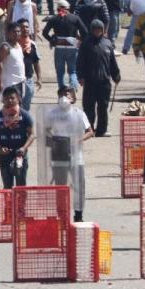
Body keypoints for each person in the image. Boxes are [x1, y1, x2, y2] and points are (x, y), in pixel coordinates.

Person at [43, 87, 93, 221]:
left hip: (76, 156)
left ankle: (78, 214)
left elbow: (90, 131)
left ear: (73, 98)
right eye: (61, 94)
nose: (64, 97)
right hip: (59, 154)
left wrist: (78, 140)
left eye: (67, 94)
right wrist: (52, 141)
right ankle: (62, 214)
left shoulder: (78, 113)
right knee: (61, 186)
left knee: (78, 185)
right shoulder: (52, 114)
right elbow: (45, 132)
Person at [76, 20, 120, 136]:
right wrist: (80, 76)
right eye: (95, 29)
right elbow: (80, 62)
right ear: (92, 30)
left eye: (99, 29)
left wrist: (116, 74)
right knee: (89, 106)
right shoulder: (86, 43)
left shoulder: (107, 43)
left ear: (103, 30)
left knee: (103, 107)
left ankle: (102, 130)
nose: (97, 31)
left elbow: (112, 62)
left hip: (105, 82)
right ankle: (89, 129)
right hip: (90, 81)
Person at [0, 86, 35, 189]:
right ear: (3, 100)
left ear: (18, 98)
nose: (9, 101)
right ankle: (9, 205)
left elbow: (32, 135)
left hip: (20, 156)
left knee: (21, 185)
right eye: (6, 98)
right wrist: (0, 148)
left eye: (12, 98)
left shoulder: (25, 116)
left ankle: (20, 205)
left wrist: (24, 148)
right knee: (7, 186)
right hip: (5, 156)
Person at [42, 0, 88, 91]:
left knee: (60, 72)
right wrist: (80, 41)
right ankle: (73, 88)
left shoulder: (54, 19)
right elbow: (85, 32)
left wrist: (52, 40)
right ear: (68, 8)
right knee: (73, 71)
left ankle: (62, 92)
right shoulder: (75, 18)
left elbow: (44, 33)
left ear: (58, 8)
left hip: (59, 47)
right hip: (73, 47)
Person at [0, 23, 26, 99]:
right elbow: (0, 64)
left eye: (19, 31)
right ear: (8, 33)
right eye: (14, 32)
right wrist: (0, 82)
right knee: (11, 106)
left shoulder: (18, 46)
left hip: (21, 81)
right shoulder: (5, 47)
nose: (17, 34)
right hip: (10, 83)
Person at [17, 22, 42, 111]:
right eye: (22, 27)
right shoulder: (13, 44)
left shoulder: (32, 45)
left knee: (26, 105)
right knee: (15, 105)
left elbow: (36, 62)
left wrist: (39, 78)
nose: (25, 29)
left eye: (27, 27)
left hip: (28, 79)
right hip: (15, 79)